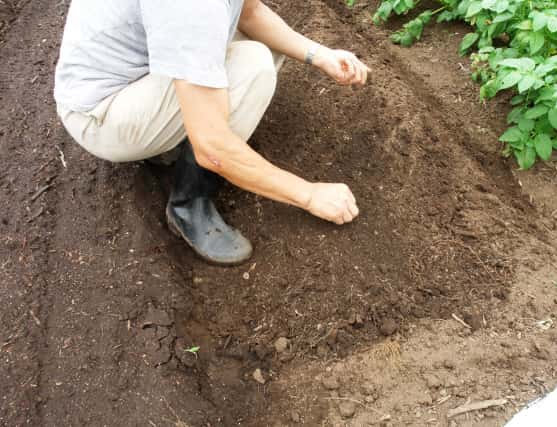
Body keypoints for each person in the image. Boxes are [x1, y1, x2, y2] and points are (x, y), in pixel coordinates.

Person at [54, 0, 370, 265]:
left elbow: (249, 13)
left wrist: (320, 54)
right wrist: (310, 195)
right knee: (254, 65)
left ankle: (171, 137)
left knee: (264, 47)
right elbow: (212, 147)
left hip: (136, 73)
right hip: (102, 114)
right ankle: (189, 204)